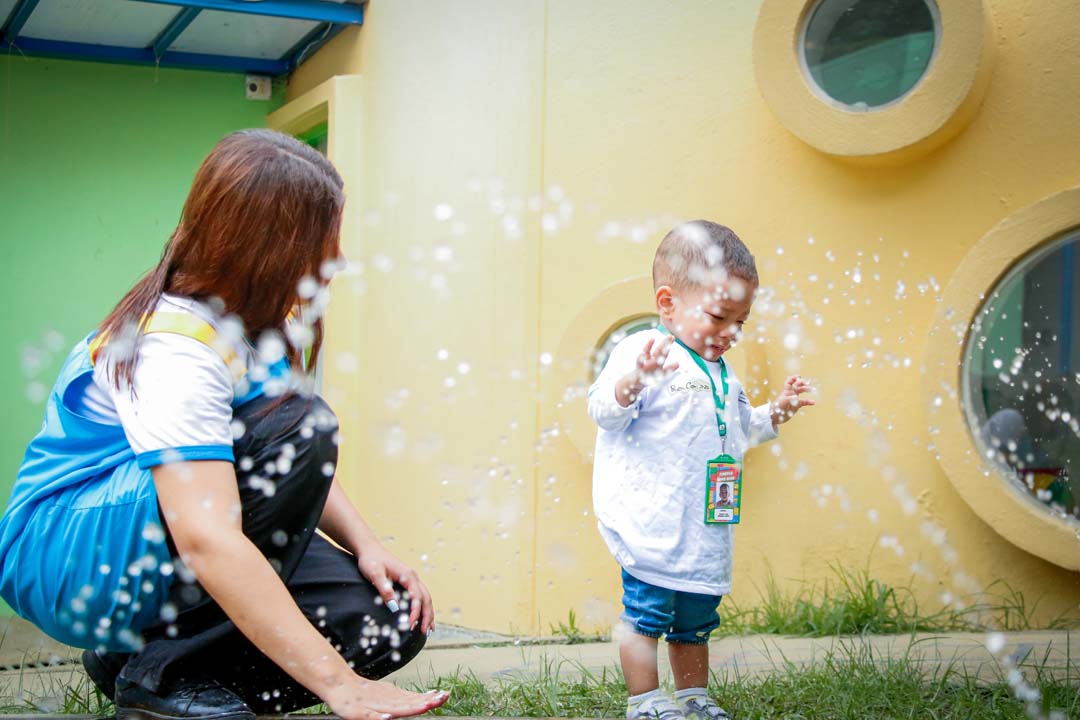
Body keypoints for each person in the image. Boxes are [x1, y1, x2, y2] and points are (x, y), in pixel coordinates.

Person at [0, 130, 449, 720]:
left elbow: (284, 464)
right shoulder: (175, 348)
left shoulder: (255, 329)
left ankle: (129, 659)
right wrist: (340, 685)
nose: (336, 258)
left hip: (148, 531)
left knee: (388, 624)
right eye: (324, 238)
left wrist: (367, 545)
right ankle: (163, 679)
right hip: (65, 553)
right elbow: (208, 536)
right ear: (269, 245)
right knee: (301, 425)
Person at [588, 220, 814, 720]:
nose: (731, 332)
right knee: (647, 615)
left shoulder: (723, 373)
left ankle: (693, 696)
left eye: (742, 322)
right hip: (654, 521)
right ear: (667, 303)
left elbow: (739, 432)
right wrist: (634, 381)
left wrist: (777, 411)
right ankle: (644, 702)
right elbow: (605, 411)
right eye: (719, 317)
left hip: (703, 526)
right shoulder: (645, 353)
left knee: (696, 619)